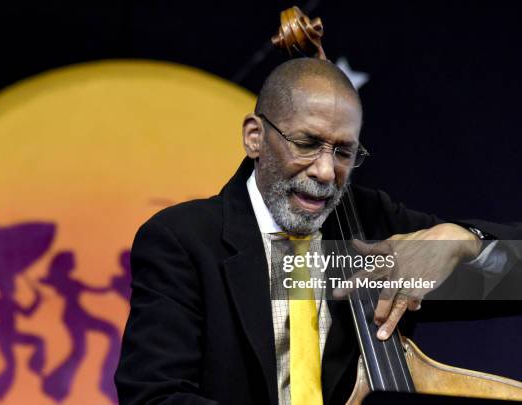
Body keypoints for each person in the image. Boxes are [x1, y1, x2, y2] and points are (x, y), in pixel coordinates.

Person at [115, 58, 522, 405]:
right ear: (255, 137)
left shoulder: (375, 226)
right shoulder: (183, 241)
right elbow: (155, 395)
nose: (326, 172)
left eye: (344, 151)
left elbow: (514, 282)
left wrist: (465, 241)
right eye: (307, 143)